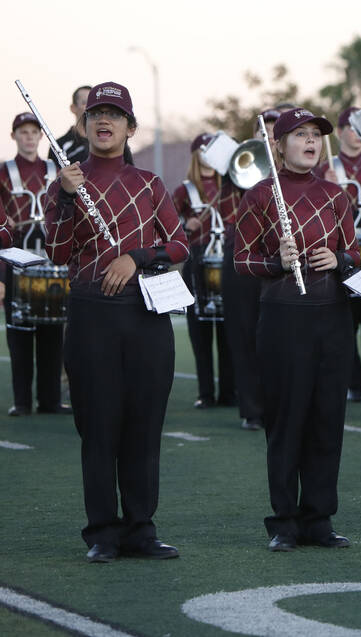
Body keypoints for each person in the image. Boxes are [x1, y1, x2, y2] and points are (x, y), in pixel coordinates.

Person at [44, 82, 189, 562]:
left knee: (144, 429)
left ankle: (141, 530)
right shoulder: (66, 182)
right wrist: (66, 199)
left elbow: (180, 245)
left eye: (114, 114)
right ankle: (103, 532)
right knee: (100, 428)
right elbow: (58, 252)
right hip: (91, 319)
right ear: (84, 124)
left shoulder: (149, 184)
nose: (103, 121)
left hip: (145, 317)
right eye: (95, 114)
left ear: (130, 127)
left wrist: (136, 255)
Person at [234, 107, 359, 550]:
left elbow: (354, 254)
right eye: (300, 134)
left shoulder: (336, 195)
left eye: (315, 135)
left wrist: (340, 260)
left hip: (332, 317)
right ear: (279, 144)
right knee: (286, 423)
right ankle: (285, 521)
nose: (310, 142)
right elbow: (242, 261)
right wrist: (277, 263)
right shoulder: (259, 195)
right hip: (283, 319)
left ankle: (319, 519)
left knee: (327, 420)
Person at [1, 112, 69, 415]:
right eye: (23, 132)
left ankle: (50, 400)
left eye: (33, 132)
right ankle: (22, 401)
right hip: (15, 261)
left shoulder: (56, 169)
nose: (29, 137)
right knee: (19, 331)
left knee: (53, 330)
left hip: (51, 260)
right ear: (14, 136)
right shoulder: (4, 172)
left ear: (40, 137)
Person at [217, 108, 278, 431]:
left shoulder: (294, 169)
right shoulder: (238, 162)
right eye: (263, 132)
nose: (268, 137)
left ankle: (279, 404)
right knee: (243, 332)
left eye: (274, 133)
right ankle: (252, 409)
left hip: (280, 253)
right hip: (241, 249)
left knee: (279, 332)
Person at [318, 107, 361, 404]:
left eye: (360, 128)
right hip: (344, 250)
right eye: (352, 128)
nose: (357, 135)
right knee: (347, 319)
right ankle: (354, 381)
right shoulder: (329, 165)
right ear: (341, 130)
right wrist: (327, 184)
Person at [173, 133, 235, 409]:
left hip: (226, 258)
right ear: (196, 154)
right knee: (200, 331)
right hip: (198, 261)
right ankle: (206, 393)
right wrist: (187, 225)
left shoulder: (231, 185)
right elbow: (168, 226)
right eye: (204, 150)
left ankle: (229, 393)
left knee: (227, 330)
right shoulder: (185, 190)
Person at [53, 86, 91, 166]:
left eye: (92, 103)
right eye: (84, 103)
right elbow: (54, 177)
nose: (90, 107)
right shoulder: (59, 146)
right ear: (73, 108)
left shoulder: (106, 142)